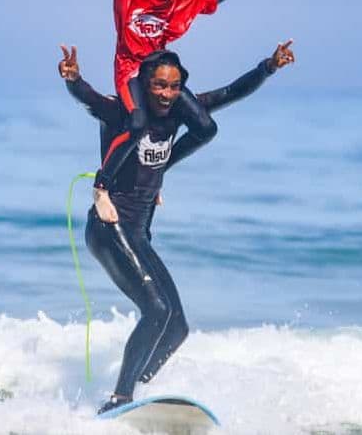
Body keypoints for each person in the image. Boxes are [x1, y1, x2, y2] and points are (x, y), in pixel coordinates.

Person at [58, 41, 295, 414]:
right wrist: (73, 79)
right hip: (109, 226)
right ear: (145, 84)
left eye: (173, 86)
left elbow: (230, 93)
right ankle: (119, 398)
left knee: (177, 326)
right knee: (155, 310)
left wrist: (269, 67)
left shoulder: (178, 112)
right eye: (159, 85)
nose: (166, 94)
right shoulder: (124, 112)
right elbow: (89, 100)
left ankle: (140, 390)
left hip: (138, 233)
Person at [94, 0, 266, 225]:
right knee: (137, 124)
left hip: (157, 70)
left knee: (206, 128)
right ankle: (101, 187)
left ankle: (158, 172)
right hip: (130, 69)